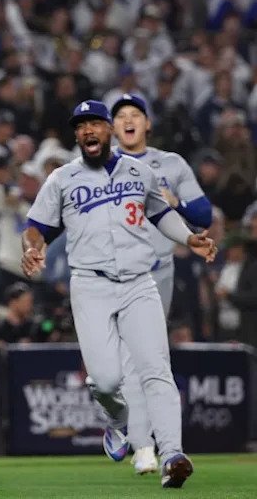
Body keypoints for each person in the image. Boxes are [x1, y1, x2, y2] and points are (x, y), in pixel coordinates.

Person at [21, 100, 217, 489]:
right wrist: (32, 247)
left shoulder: (139, 172)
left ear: (108, 130)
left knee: (156, 368)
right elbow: (36, 224)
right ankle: (117, 422)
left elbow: (160, 213)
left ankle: (173, 454)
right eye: (81, 126)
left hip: (138, 281)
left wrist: (189, 237)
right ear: (76, 135)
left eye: (95, 123)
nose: (89, 130)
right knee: (106, 381)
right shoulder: (62, 178)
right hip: (90, 284)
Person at [111, 93, 213, 474]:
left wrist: (176, 204)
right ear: (112, 127)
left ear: (147, 123)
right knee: (123, 365)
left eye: (136, 113)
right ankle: (135, 437)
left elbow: (204, 213)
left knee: (149, 358)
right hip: (117, 272)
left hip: (160, 269)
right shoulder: (104, 166)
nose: (129, 120)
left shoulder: (170, 163)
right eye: (121, 116)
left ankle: (147, 445)